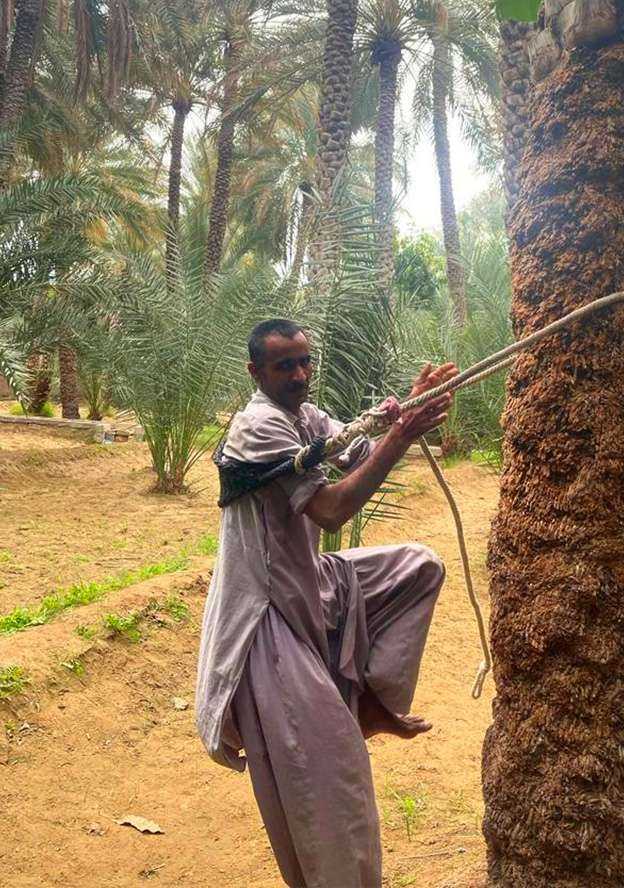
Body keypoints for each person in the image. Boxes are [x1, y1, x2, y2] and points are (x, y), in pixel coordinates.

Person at [195, 318, 457, 888]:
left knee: (419, 567)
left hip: (312, 583)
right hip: (267, 619)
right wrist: (400, 435)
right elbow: (334, 509)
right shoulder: (258, 428)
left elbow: (358, 449)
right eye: (284, 365)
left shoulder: (305, 417)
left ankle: (370, 705)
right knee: (334, 787)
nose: (299, 374)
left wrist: (403, 414)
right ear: (256, 371)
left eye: (303, 361)